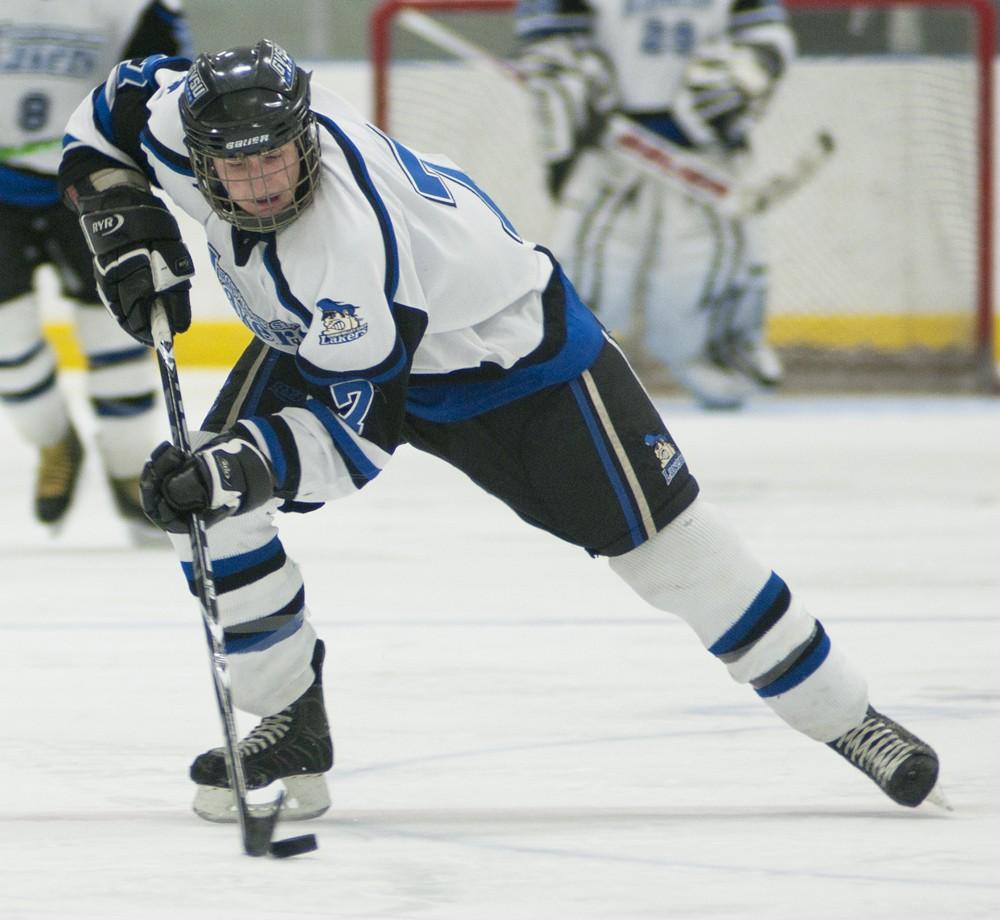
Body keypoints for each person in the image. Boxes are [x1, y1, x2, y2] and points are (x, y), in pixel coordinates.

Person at [60, 40, 942, 822]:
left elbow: (351, 442)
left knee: (674, 555)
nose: (263, 182)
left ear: (306, 136)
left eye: (280, 157)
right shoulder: (176, 116)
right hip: (342, 345)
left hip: (512, 364)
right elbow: (97, 123)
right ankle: (291, 721)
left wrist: (239, 467)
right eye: (238, 167)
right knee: (210, 510)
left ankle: (849, 718)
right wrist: (118, 221)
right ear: (198, 152)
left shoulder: (345, 249)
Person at [514, 0, 791, 409]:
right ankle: (558, 382)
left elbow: (766, 35)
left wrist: (741, 74)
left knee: (704, 277)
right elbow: (549, 32)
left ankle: (723, 373)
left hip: (706, 154)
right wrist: (571, 75)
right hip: (609, 152)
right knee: (589, 274)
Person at [0, 0, 190, 529]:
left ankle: (129, 466)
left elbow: (164, 86)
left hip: (90, 185)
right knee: (6, 343)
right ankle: (54, 442)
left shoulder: (133, 7)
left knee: (116, 333)